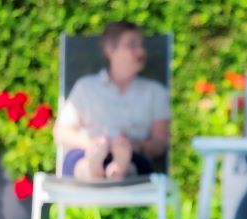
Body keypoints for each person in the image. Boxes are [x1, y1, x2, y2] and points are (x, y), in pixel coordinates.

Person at [54, 21, 170, 180]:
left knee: (135, 164)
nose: (141, 51)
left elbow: (160, 142)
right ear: (110, 50)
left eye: (141, 45)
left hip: (134, 154)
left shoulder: (156, 92)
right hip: (86, 150)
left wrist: (132, 147)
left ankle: (119, 169)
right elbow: (61, 132)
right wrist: (92, 144)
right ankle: (96, 168)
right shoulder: (86, 87)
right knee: (81, 162)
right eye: (132, 45)